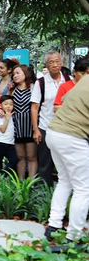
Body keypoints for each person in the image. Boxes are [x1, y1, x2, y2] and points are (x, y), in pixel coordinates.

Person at [44, 75, 89, 244]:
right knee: (83, 189)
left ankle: (53, 226)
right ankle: (74, 237)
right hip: (73, 137)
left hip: (54, 131)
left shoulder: (86, 79)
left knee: (65, 181)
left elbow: (64, 99)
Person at [31, 51, 67, 186]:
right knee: (45, 162)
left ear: (61, 63)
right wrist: (36, 130)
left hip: (66, 128)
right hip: (46, 127)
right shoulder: (41, 83)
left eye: (57, 61)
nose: (55, 65)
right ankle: (44, 191)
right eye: (51, 62)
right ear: (46, 64)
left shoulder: (69, 80)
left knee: (65, 161)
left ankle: (67, 189)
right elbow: (34, 107)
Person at [11, 65, 37, 179]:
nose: (15, 76)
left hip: (30, 127)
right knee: (20, 157)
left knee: (31, 157)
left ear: (25, 74)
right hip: (16, 127)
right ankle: (20, 182)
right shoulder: (12, 89)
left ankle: (31, 182)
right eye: (13, 74)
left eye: (17, 73)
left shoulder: (34, 88)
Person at [0, 95, 19, 174]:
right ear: (0, 105)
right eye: (6, 104)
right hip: (0, 142)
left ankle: (3, 174)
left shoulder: (13, 115)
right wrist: (7, 118)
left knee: (14, 160)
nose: (8, 106)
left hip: (10, 143)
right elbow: (3, 129)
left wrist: (9, 116)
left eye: (11, 104)